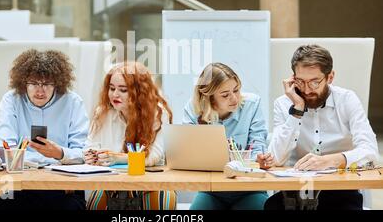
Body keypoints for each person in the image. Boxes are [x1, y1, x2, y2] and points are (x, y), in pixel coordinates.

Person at [266, 44, 379, 210]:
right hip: (295, 191)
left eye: (314, 82)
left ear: (330, 77)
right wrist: (297, 109)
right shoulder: (283, 104)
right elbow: (275, 158)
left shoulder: (347, 100)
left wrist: (330, 161)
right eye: (300, 81)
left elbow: (370, 152)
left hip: (338, 189)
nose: (306, 89)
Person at [0, 49, 89, 210]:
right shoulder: (11, 100)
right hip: (22, 187)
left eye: (47, 84)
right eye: (33, 83)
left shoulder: (73, 102)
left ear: (58, 82)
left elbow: (84, 153)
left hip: (64, 188)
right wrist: (49, 159)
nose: (40, 91)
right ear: (23, 82)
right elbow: (6, 148)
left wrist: (59, 153)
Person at [84, 61, 177, 210]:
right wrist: (90, 156)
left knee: (162, 199)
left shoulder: (158, 113)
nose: (115, 94)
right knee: (95, 203)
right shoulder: (102, 112)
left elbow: (154, 157)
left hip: (149, 183)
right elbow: (90, 145)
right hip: (112, 182)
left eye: (123, 90)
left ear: (139, 92)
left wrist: (118, 158)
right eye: (112, 88)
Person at [183, 62, 274, 210]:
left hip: (249, 189)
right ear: (209, 98)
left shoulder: (252, 104)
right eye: (225, 95)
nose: (234, 99)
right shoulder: (194, 109)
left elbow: (258, 142)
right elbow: (187, 153)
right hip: (212, 190)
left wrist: (259, 159)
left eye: (236, 90)